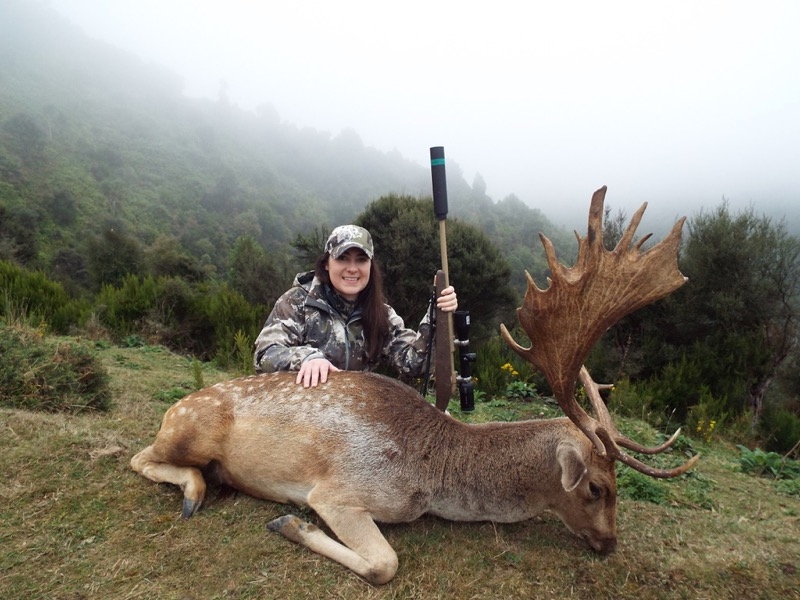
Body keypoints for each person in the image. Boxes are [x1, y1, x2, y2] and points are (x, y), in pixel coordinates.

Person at [253, 224, 458, 388]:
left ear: (370, 266)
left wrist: (436, 316)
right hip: (304, 414)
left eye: (361, 260)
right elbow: (264, 355)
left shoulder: (382, 314)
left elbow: (414, 363)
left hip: (356, 415)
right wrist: (306, 358)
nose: (352, 269)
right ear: (326, 264)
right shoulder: (297, 302)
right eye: (342, 258)